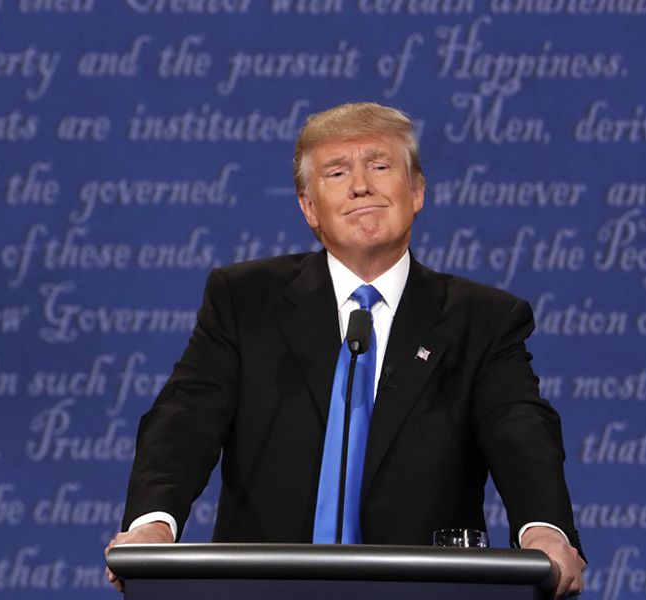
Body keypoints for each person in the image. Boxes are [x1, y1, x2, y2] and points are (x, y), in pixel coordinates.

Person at [105, 102, 586, 597]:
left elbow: (521, 430)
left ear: (417, 190)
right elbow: (185, 418)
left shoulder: (483, 320)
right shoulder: (245, 300)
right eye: (337, 172)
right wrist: (152, 524)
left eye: (379, 166)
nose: (361, 185)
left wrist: (543, 528)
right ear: (308, 207)